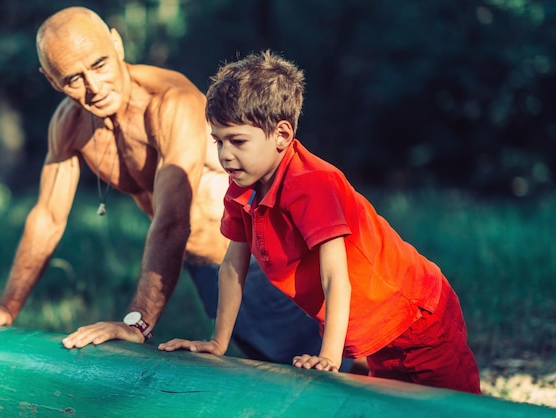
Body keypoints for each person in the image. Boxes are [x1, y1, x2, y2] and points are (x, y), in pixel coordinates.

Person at [0, 7, 351, 370]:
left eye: (100, 64)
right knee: (273, 379)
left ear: (117, 44)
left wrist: (137, 322)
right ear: (50, 80)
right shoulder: (68, 125)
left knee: (344, 376)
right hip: (211, 272)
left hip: (271, 266)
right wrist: (6, 306)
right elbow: (47, 217)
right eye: (72, 78)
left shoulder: (169, 103)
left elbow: (173, 218)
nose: (94, 87)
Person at [158, 50, 482, 394]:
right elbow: (232, 268)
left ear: (282, 135)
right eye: (218, 141)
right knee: (393, 406)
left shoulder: (312, 183)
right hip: (376, 335)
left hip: (417, 318)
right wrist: (218, 342)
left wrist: (327, 356)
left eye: (237, 141)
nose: (224, 154)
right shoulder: (242, 191)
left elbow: (334, 275)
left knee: (457, 406)